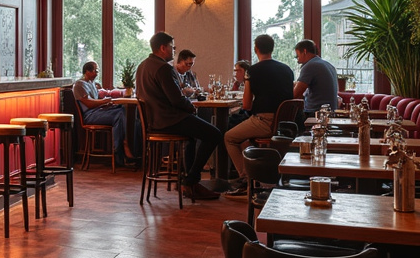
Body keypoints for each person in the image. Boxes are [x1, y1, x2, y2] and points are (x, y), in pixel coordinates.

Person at [135, 32, 222, 200]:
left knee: (191, 136)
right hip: (169, 119)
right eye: (172, 47)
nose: (174, 51)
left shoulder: (143, 65)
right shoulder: (163, 68)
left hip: (154, 121)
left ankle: (188, 182)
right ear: (163, 48)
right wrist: (191, 108)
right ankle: (191, 181)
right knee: (214, 134)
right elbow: (176, 99)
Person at [223, 35, 293, 197]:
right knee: (243, 137)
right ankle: (252, 176)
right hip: (284, 125)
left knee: (229, 137)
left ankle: (245, 179)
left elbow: (246, 105)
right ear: (272, 48)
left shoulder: (253, 71)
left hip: (264, 122)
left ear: (256, 49)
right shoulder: (286, 69)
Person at [73, 61, 134, 167]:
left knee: (122, 109)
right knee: (119, 115)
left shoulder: (92, 84)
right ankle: (121, 151)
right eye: (95, 71)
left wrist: (107, 103)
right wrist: (106, 101)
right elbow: (89, 103)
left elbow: (95, 101)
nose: (97, 73)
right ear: (87, 71)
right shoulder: (80, 84)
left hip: (98, 111)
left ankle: (125, 147)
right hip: (90, 115)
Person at [292, 39, 340, 115]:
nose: (297, 59)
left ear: (304, 51)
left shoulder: (310, 66)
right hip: (332, 112)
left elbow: (295, 94)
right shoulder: (329, 65)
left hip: (316, 113)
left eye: (297, 55)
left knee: (290, 118)